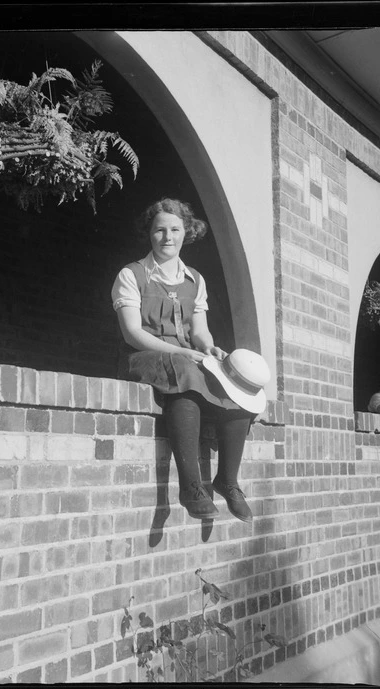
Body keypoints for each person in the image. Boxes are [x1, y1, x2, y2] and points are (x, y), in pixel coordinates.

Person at [111, 197, 265, 524]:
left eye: (175, 230)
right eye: (159, 230)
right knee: (185, 370)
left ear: (186, 233)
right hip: (145, 357)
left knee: (236, 384)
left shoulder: (195, 279)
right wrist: (182, 353)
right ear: (149, 234)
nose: (167, 237)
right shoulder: (131, 274)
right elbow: (132, 333)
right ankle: (191, 486)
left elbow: (200, 333)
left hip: (188, 358)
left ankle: (228, 480)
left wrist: (212, 350)